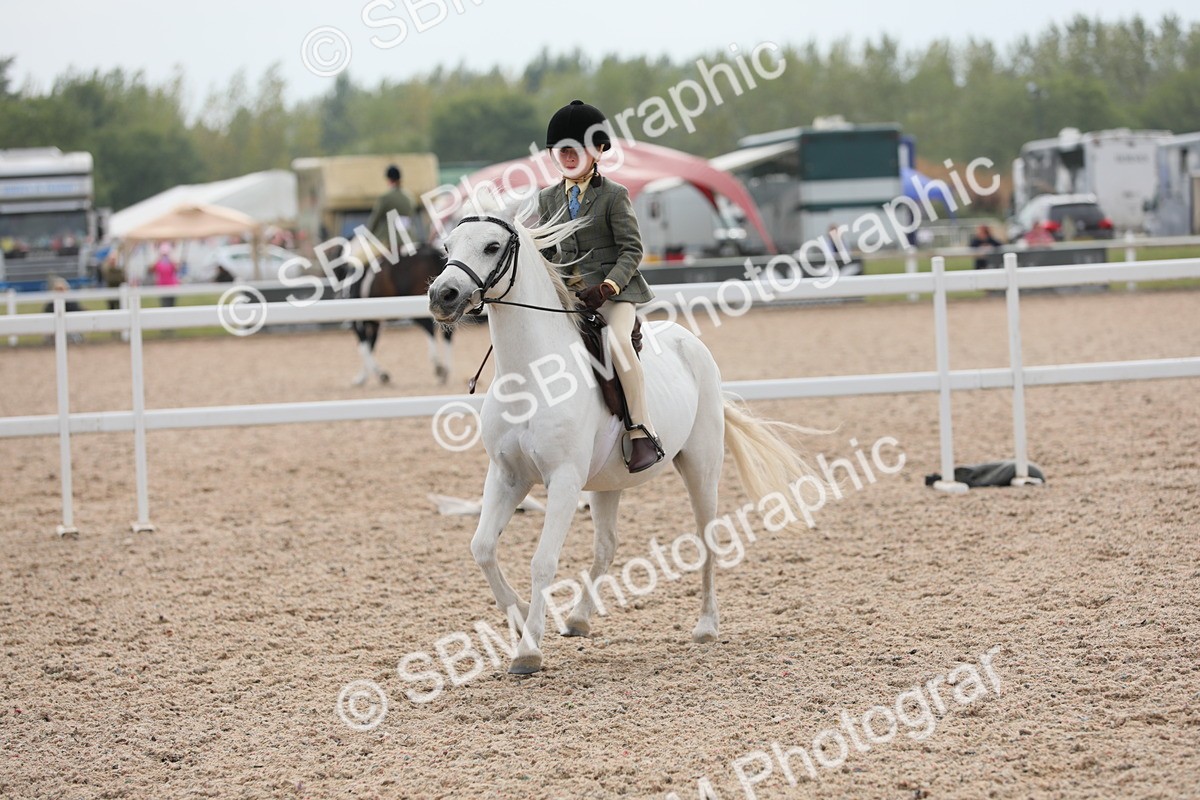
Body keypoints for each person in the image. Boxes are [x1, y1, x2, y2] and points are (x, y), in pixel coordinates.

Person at [537, 99, 662, 473]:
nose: (570, 154)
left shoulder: (613, 195)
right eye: (563, 149)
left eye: (577, 148)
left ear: (599, 150)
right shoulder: (547, 198)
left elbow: (632, 249)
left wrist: (607, 287)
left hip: (614, 294)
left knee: (617, 342)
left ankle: (641, 430)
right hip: (572, 295)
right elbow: (547, 251)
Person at [366, 164, 417, 246]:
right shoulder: (409, 196)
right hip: (409, 238)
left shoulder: (385, 197)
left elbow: (375, 219)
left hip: (388, 239)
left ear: (389, 180)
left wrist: (368, 236)